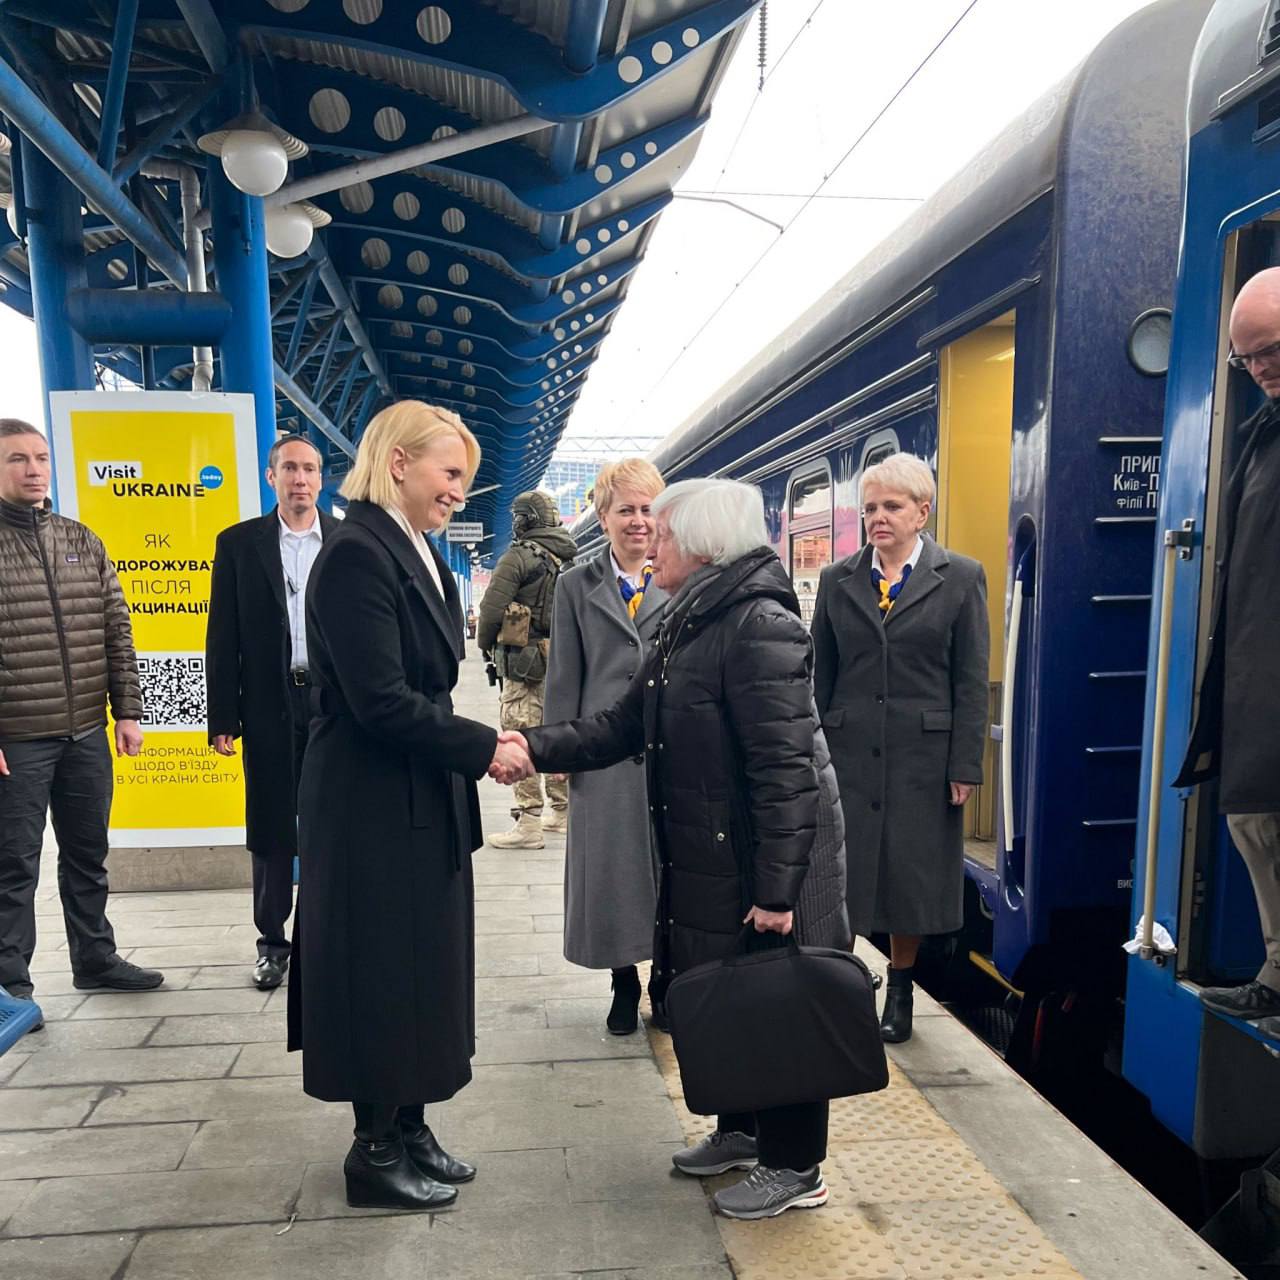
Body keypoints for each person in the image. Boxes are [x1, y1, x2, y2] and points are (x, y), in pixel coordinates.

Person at [499, 478, 850, 1221]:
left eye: (661, 533)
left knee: (780, 1004)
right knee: (734, 995)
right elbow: (620, 726)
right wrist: (530, 745)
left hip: (761, 856)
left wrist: (778, 890)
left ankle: (796, 1168)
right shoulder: (692, 619)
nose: (647, 543)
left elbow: (786, 770)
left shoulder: (758, 625)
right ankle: (743, 1131)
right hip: (715, 849)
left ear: (701, 544)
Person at [286, 400, 528, 1211]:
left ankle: (412, 1123)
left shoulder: (409, 546)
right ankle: (375, 1148)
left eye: (464, 477)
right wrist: (484, 747)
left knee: (425, 964)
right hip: (370, 801)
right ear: (398, 463)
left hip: (414, 790)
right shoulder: (359, 553)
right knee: (380, 968)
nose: (459, 490)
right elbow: (381, 700)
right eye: (449, 472)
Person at [812, 452, 988, 1044]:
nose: (878, 518)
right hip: (847, 752)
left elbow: (970, 678)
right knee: (844, 874)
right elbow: (821, 675)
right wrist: (811, 753)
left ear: (922, 512)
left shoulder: (961, 577)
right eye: (869, 509)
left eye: (891, 506)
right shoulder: (837, 580)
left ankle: (902, 987)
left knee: (909, 879)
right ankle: (844, 985)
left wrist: (965, 764)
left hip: (923, 758)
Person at [0, 418, 164, 1024]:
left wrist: (128, 710)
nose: (34, 469)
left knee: (88, 853)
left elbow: (116, 627)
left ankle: (94, 958)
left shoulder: (80, 539)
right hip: (17, 737)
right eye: (18, 459)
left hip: (86, 731)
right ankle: (10, 989)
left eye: (40, 457)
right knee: (14, 864)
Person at [1176, 267, 1280, 1019]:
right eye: (1249, 358)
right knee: (1253, 818)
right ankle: (1277, 971)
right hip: (1254, 665)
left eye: (1273, 348)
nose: (1263, 367)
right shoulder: (1261, 433)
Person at [206, 434, 337, 990]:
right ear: (271, 476)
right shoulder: (239, 544)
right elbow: (221, 635)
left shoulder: (347, 541)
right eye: (289, 468)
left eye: (309, 469)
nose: (300, 479)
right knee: (271, 824)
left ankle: (328, 938)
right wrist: (222, 716)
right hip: (268, 702)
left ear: (321, 478)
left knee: (335, 819)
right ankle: (272, 942)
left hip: (334, 704)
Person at [543, 459, 668, 1035]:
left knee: (671, 867)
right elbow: (564, 673)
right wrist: (557, 750)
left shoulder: (681, 576)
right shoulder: (574, 585)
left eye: (647, 510)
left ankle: (666, 978)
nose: (638, 521)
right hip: (601, 751)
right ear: (603, 517)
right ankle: (624, 979)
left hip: (671, 750)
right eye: (626, 511)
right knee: (611, 870)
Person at [477, 490, 577, 849]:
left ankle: (528, 821)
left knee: (519, 732)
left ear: (526, 520)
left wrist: (484, 645)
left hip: (523, 664)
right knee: (554, 731)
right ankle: (561, 812)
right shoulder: (570, 558)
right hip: (561, 661)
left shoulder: (518, 556)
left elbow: (491, 609)